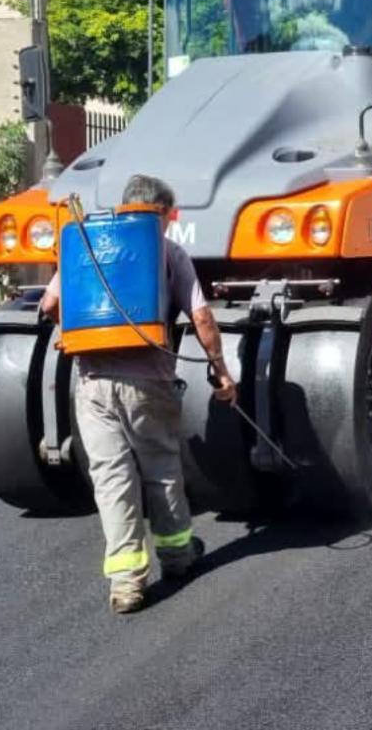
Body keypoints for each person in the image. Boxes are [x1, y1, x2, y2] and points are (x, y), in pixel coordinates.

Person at [39, 174, 237, 614]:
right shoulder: (169, 253)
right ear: (162, 214)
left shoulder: (85, 244)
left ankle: (127, 583)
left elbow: (51, 306)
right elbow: (201, 317)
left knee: (112, 480)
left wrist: (71, 336)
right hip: (149, 383)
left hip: (92, 384)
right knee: (162, 469)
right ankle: (178, 556)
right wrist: (221, 372)